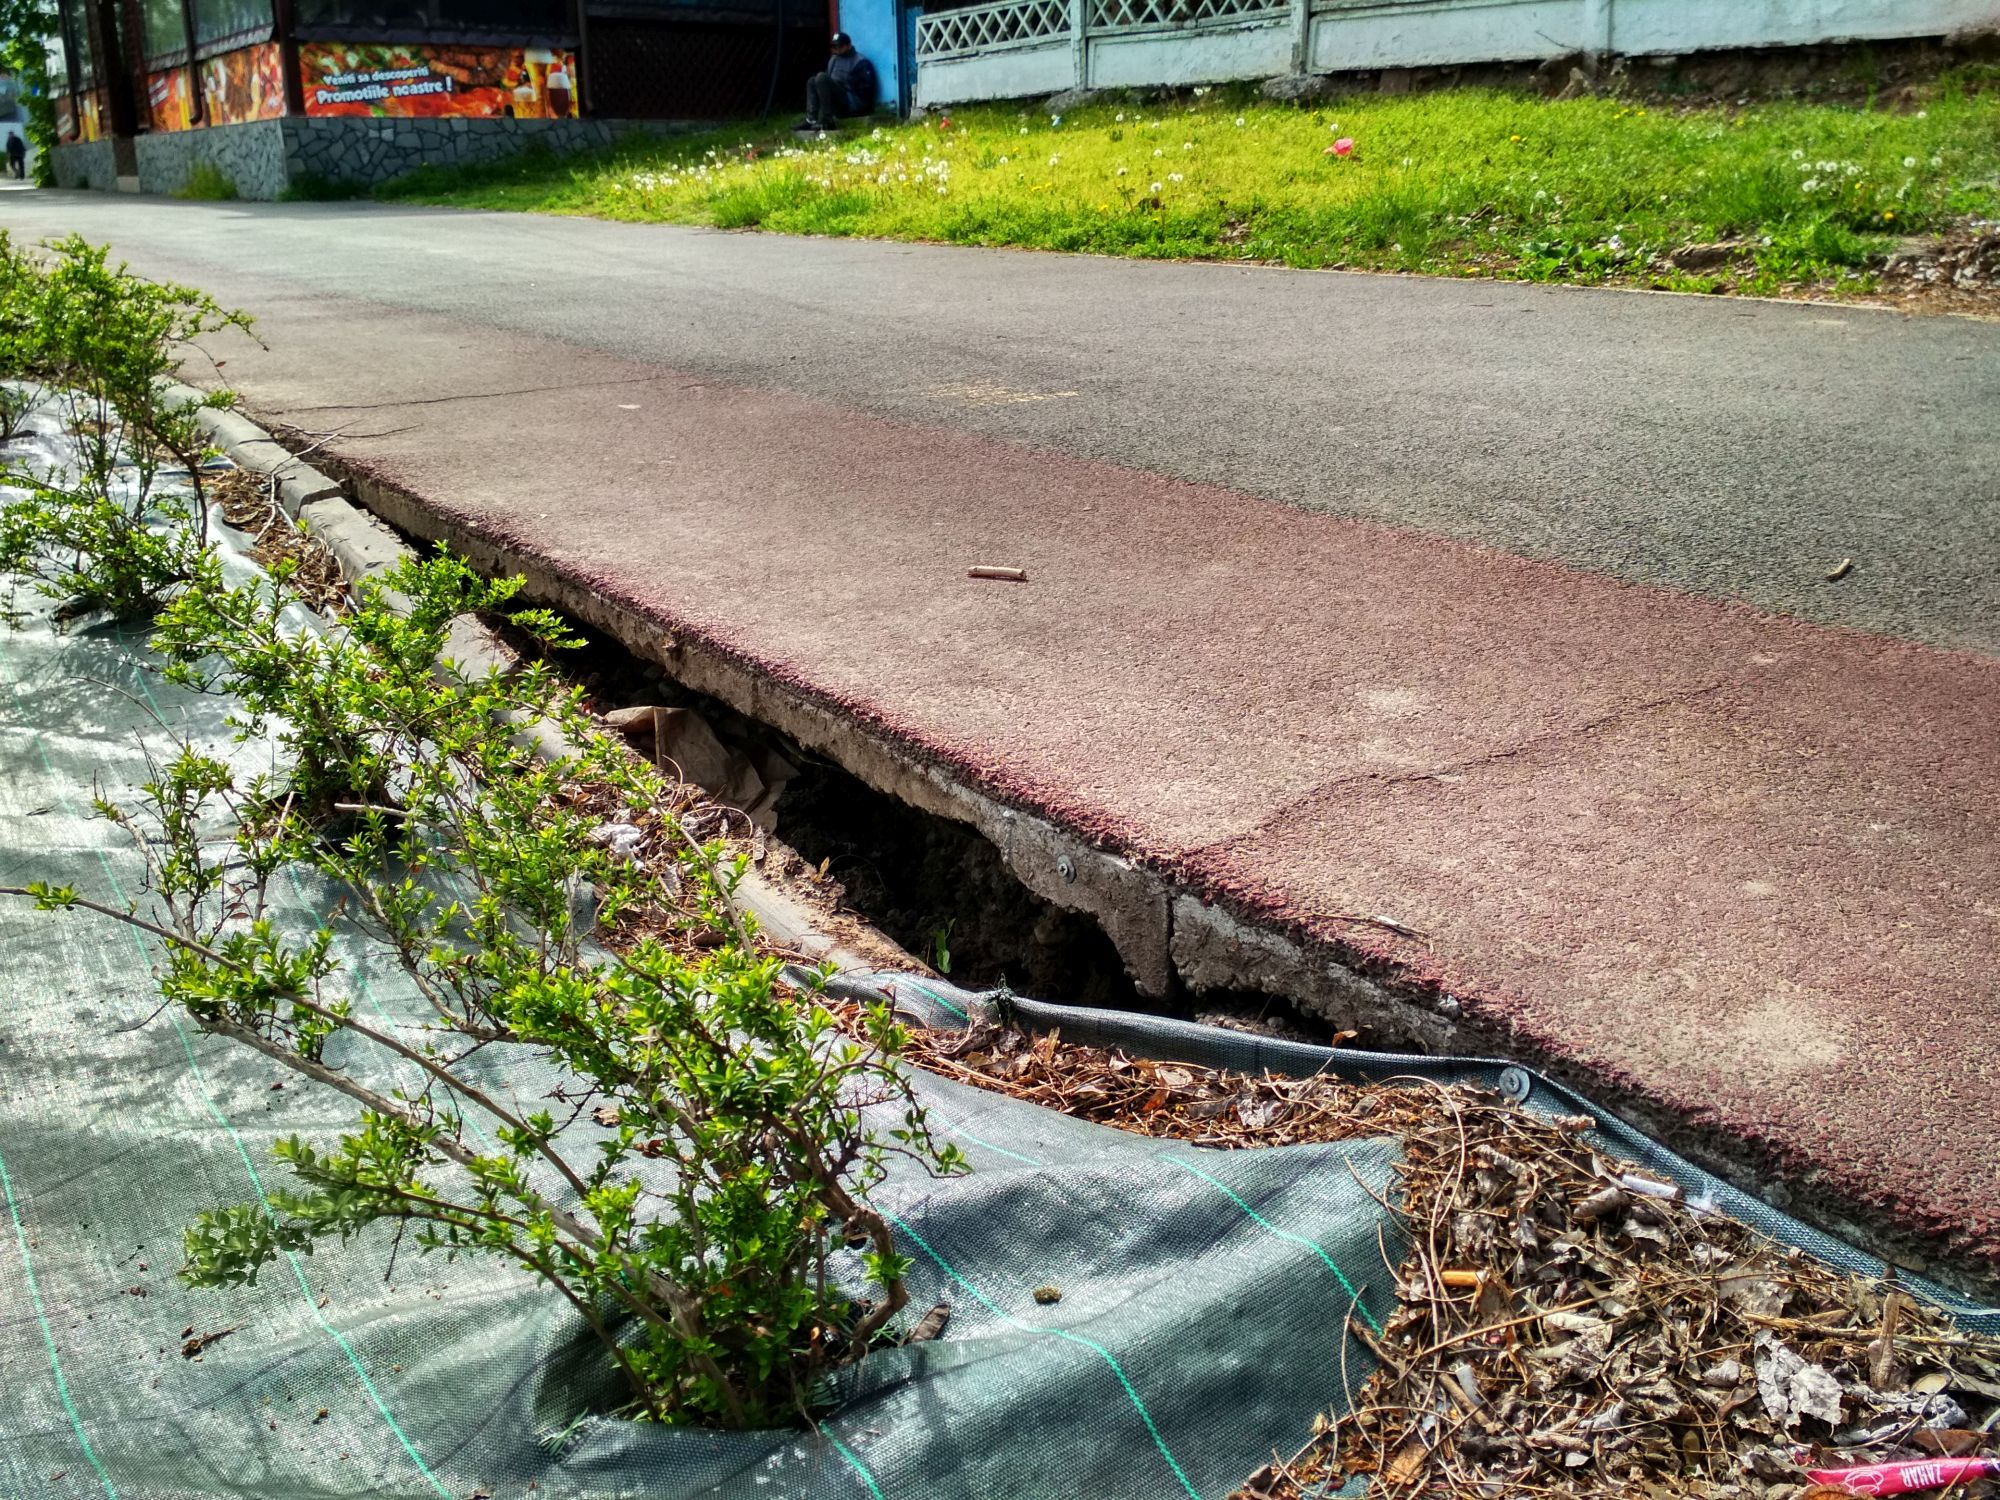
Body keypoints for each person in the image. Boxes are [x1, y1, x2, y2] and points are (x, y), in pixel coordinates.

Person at [798, 33, 877, 133]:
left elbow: (866, 90)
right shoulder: (833, 59)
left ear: (848, 45)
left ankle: (827, 119)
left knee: (822, 77)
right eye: (835, 46)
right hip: (837, 101)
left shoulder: (860, 62)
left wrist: (847, 85)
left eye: (840, 46)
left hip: (851, 102)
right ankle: (811, 119)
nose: (837, 49)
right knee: (812, 81)